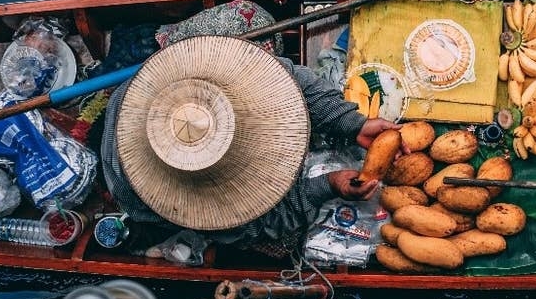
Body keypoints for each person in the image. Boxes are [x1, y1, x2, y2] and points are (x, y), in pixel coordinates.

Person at [100, 30, 399, 255]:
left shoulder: (160, 81)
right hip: (193, 191)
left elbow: (292, 77)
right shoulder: (143, 197)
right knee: (283, 243)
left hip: (210, 88)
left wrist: (348, 121)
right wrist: (327, 185)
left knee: (250, 16)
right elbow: (261, 225)